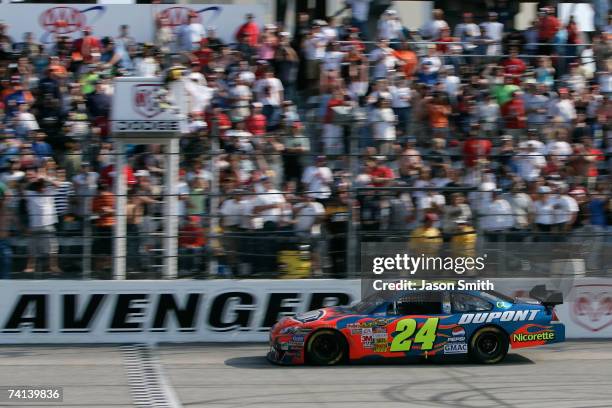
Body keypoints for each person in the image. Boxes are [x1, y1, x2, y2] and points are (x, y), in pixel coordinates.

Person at [23, 177, 61, 273]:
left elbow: (57, 184)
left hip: (48, 225)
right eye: (40, 186)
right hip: (34, 226)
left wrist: (45, 179)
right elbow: (23, 189)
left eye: (43, 186)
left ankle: (53, 266)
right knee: (32, 248)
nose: (42, 188)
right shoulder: (31, 194)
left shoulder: (49, 192)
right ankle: (30, 267)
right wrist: (35, 180)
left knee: (52, 248)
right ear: (36, 187)